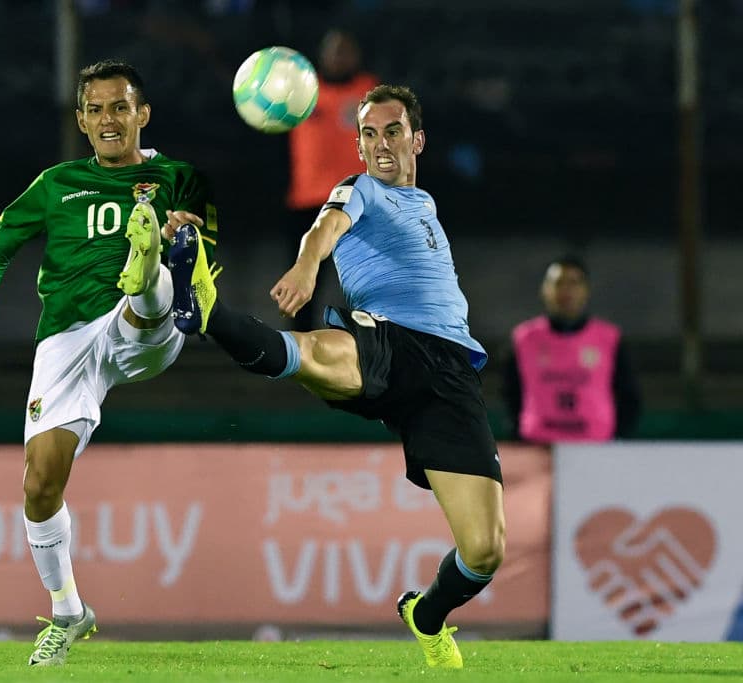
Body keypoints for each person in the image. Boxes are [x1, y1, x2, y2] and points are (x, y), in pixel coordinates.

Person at [167, 84, 502, 670]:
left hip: (450, 373)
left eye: (391, 131)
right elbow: (324, 227)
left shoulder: (423, 204)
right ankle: (204, 306)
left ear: (417, 139)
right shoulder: (360, 188)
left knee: (485, 551)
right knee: (314, 355)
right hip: (388, 342)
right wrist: (305, 264)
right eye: (368, 134)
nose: (379, 145)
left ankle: (426, 616)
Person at [0, 60, 218, 667]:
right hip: (66, 339)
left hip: (145, 328)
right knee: (38, 483)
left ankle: (155, 270)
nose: (111, 120)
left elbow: (214, 257)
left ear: (144, 114)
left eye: (121, 107)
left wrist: (191, 238)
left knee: (156, 276)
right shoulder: (55, 184)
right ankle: (68, 611)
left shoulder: (181, 178)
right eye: (98, 110)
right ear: (82, 121)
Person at [284, 28, 378, 331]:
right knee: (304, 280)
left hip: (357, 201)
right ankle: (298, 352)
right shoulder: (303, 92)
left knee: (367, 281)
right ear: (322, 56)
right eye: (334, 50)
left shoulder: (370, 89)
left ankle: (372, 349)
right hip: (309, 201)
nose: (340, 57)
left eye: (346, 50)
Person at [502, 256, 641, 443]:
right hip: (537, 448)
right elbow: (510, 393)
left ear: (586, 291)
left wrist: (617, 437)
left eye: (574, 283)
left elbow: (629, 395)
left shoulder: (609, 338)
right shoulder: (524, 339)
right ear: (545, 290)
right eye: (558, 283)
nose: (566, 290)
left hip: (595, 448)